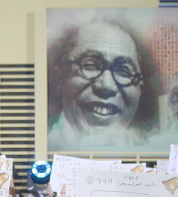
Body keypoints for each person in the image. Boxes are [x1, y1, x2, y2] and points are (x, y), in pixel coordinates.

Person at [48, 20, 158, 150]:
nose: (106, 86)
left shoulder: (151, 150)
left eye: (123, 71)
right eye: (90, 65)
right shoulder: (42, 147)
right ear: (59, 79)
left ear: (139, 90)